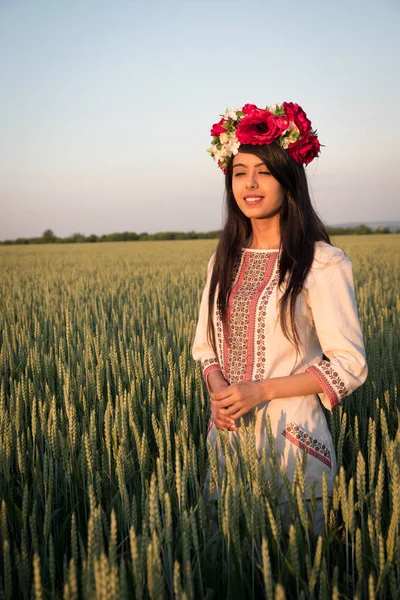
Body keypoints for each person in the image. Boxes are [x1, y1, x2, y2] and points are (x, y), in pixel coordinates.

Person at [192, 102, 368, 534]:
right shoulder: (222, 260)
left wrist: (260, 389)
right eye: (239, 172)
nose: (249, 184)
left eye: (264, 172)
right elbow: (206, 349)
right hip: (228, 443)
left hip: (295, 445)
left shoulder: (321, 262)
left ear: (290, 181)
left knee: (299, 571)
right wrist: (220, 392)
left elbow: (350, 366)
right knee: (230, 563)